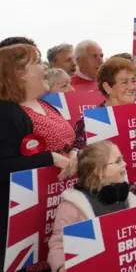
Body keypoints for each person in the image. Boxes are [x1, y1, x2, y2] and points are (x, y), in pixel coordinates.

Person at [0, 44, 72, 271]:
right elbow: (5, 165)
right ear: (19, 74)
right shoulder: (6, 113)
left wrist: (74, 153)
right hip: (22, 219)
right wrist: (49, 158)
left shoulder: (46, 104)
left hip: (57, 207)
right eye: (38, 62)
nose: (45, 67)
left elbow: (68, 142)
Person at [48, 141, 136, 272]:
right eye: (118, 161)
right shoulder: (73, 206)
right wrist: (62, 266)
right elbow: (58, 244)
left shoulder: (130, 200)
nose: (125, 164)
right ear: (99, 171)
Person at [74, 57, 136, 203]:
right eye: (124, 82)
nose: (132, 87)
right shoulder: (91, 122)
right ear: (108, 87)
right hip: (110, 204)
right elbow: (85, 167)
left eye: (133, 80)